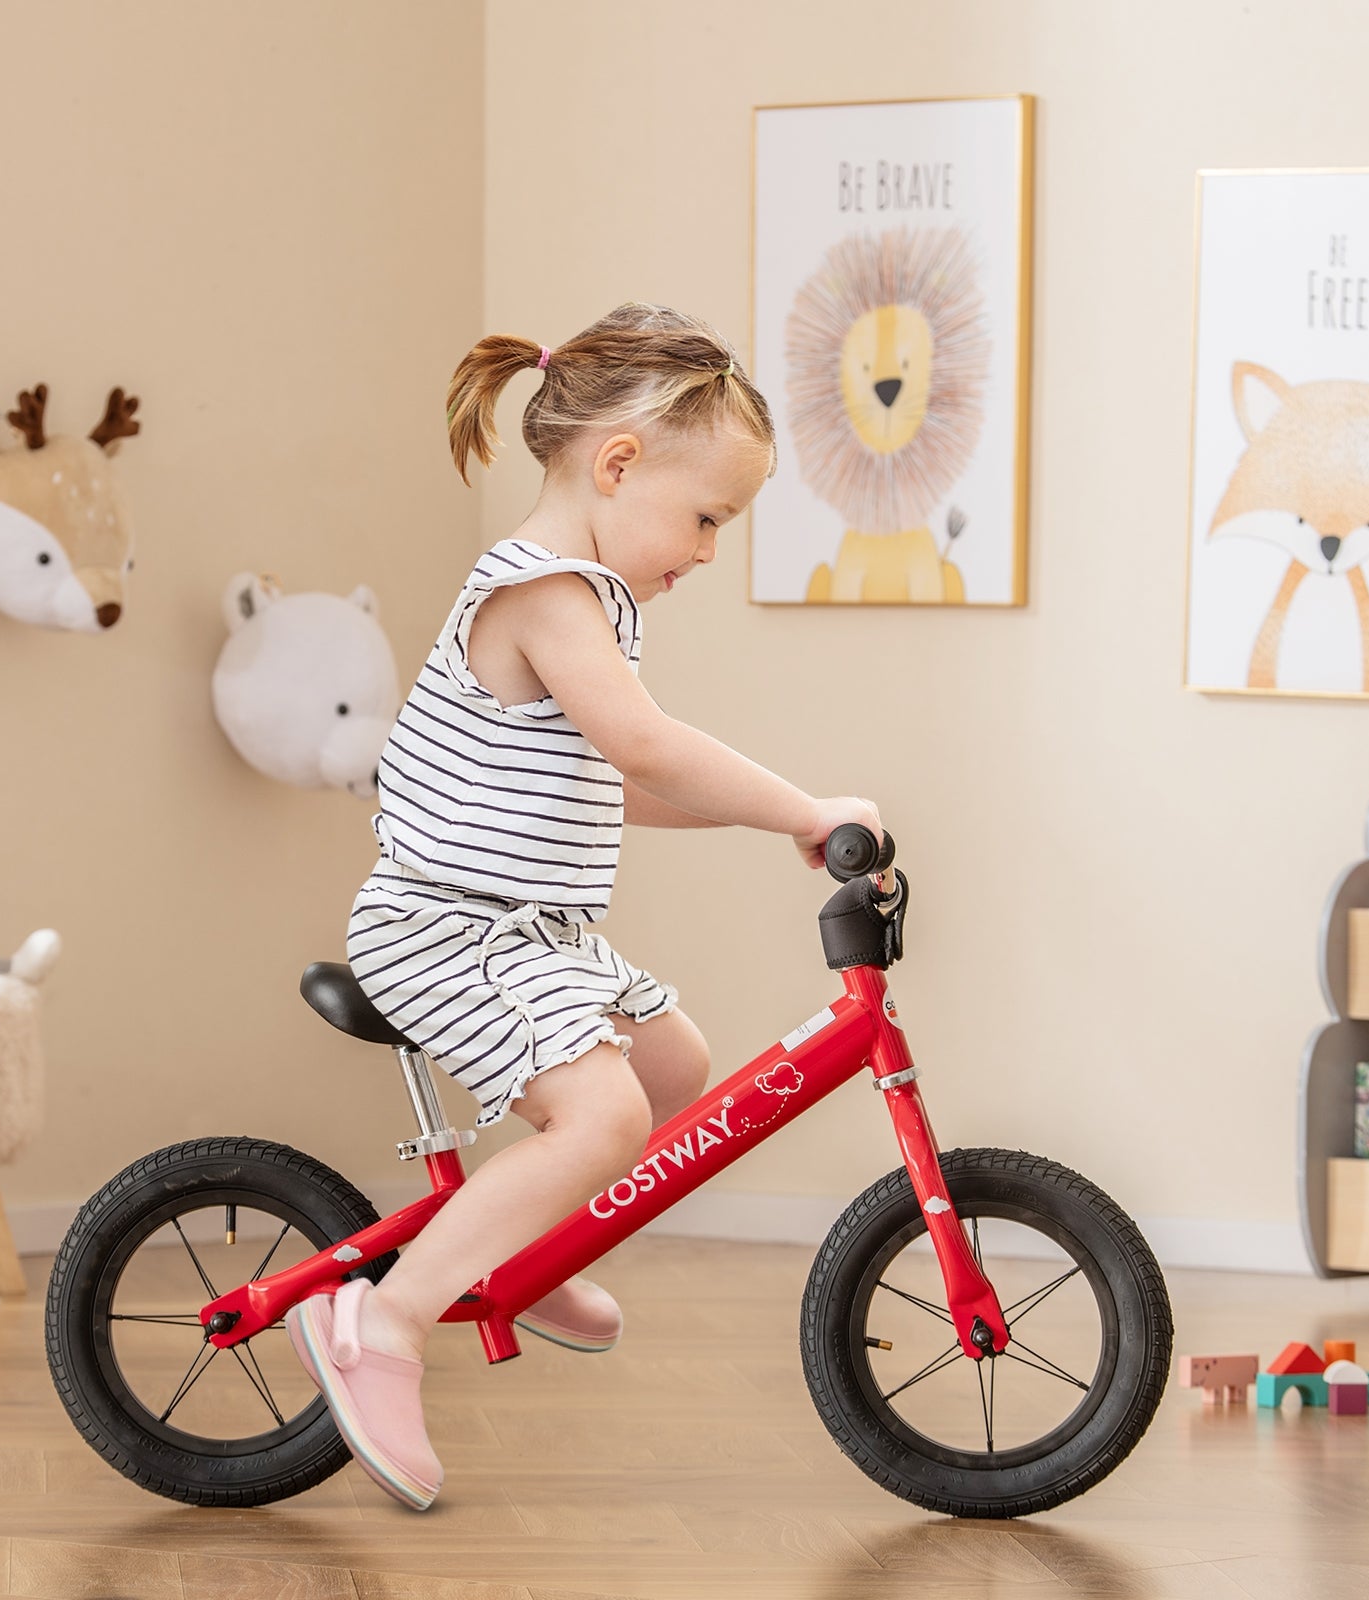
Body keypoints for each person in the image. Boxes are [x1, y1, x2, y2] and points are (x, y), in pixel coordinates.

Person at [286, 302, 882, 1510]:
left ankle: (513, 1236)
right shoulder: (543, 593)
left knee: (673, 1064)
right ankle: (384, 1322)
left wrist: (775, 820)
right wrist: (801, 806)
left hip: (526, 932)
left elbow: (611, 782)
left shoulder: (590, 605)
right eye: (707, 517)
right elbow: (646, 746)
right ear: (617, 465)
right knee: (605, 1117)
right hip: (444, 921)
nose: (708, 550)